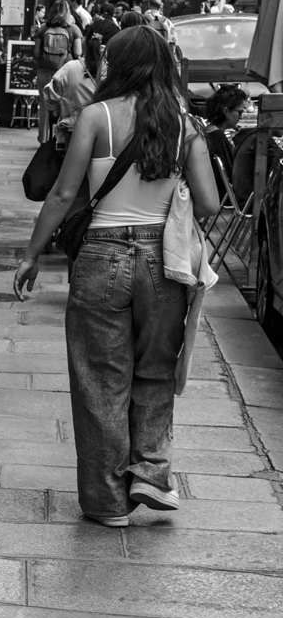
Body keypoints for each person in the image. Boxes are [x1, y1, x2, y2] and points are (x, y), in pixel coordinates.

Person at [12, 26, 219, 527]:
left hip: (101, 256)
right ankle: (150, 473)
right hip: (165, 263)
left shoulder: (95, 116)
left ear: (115, 65)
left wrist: (31, 255)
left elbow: (63, 194)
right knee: (156, 369)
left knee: (99, 380)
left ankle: (108, 504)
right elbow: (210, 203)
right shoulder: (186, 126)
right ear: (165, 66)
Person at [33, 0, 82, 141]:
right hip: (66, 74)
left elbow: (36, 53)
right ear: (68, 12)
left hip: (44, 71)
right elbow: (78, 53)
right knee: (66, 105)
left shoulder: (43, 29)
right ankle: (61, 139)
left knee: (44, 106)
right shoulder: (73, 29)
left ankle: (43, 139)